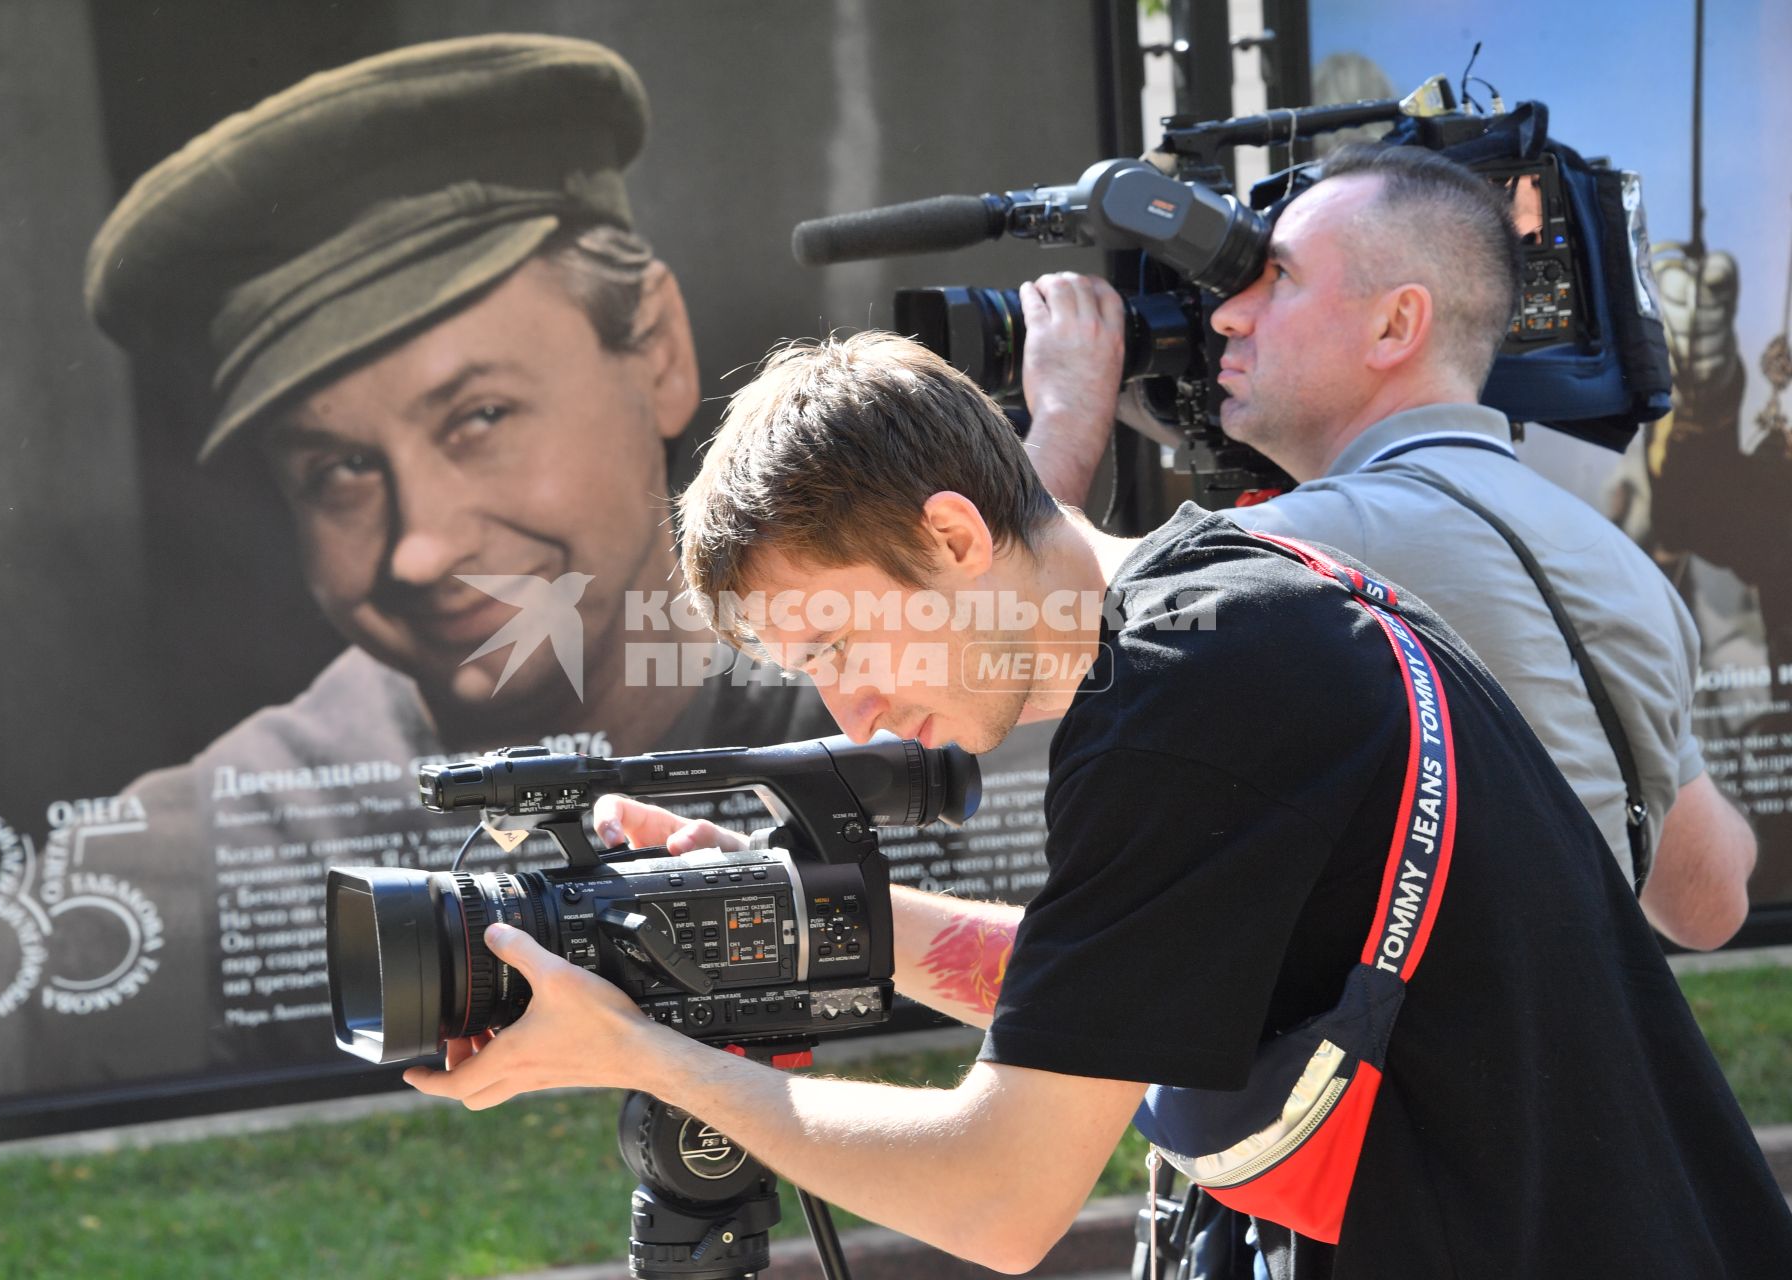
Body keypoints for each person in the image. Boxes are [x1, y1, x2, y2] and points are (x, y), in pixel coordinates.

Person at [404, 328, 1792, 1275]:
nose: (849, 712)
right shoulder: (1237, 620)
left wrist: (644, 1054)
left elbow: (1002, 1192)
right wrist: (809, 916)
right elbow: (1111, 998)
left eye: (836, 646)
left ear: (951, 536)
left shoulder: (1196, 690)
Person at [0, 35, 1101, 1099]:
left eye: (480, 412)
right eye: (338, 465)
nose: (420, 544)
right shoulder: (144, 888)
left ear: (654, 346)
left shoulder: (1011, 717)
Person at [1032, 144, 1756, 949]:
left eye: (1280, 279)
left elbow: (1012, 630)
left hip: (1373, 1073)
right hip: (1580, 1067)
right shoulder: (1619, 565)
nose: (1228, 314)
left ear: (1396, 324)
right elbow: (1710, 904)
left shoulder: (1304, 555)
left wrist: (1067, 404)